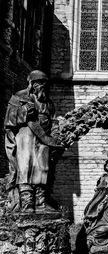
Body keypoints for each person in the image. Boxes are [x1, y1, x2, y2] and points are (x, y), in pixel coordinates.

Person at [4, 70, 63, 213]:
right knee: (26, 167)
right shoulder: (19, 97)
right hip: (26, 136)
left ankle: (41, 202)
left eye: (44, 83)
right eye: (38, 82)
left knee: (42, 167)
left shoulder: (48, 103)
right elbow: (9, 119)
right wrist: (24, 113)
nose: (42, 85)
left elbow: (54, 121)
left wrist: (55, 134)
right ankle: (27, 203)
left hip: (44, 140)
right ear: (31, 83)